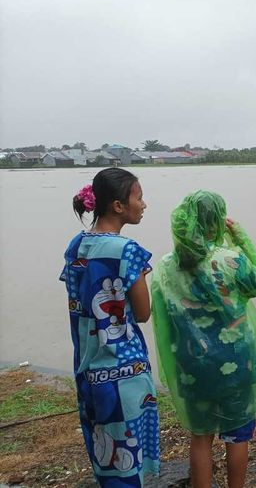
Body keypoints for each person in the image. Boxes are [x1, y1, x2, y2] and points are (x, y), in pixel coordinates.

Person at [150, 190, 256, 488]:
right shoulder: (231, 260)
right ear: (218, 220)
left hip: (193, 366)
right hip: (236, 362)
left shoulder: (166, 267)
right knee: (237, 435)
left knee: (201, 436)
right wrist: (241, 239)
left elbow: (163, 315)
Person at [60, 167, 160, 487]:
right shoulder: (126, 251)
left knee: (108, 459)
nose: (144, 204)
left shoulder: (76, 246)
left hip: (90, 371)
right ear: (118, 206)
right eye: (139, 198)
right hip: (124, 372)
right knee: (130, 462)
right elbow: (143, 313)